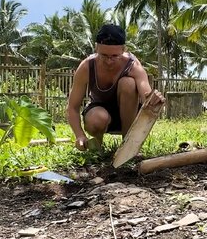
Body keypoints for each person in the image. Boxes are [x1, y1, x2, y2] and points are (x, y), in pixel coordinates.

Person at [66, 24, 165, 152]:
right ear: (96, 48)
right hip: (100, 115)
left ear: (123, 49)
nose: (109, 61)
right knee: (97, 119)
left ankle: (127, 145)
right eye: (104, 55)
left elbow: (146, 93)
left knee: (128, 83)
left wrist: (153, 98)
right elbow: (72, 107)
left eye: (114, 56)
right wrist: (79, 135)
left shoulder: (133, 65)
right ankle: (97, 147)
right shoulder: (87, 67)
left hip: (129, 117)